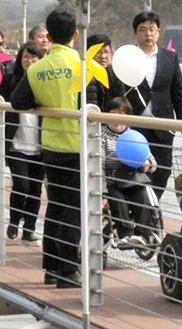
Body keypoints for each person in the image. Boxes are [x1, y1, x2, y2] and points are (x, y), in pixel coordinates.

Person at [11, 9, 81, 289]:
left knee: (55, 207)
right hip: (78, 145)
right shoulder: (82, 63)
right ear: (76, 34)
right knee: (72, 211)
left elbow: (18, 102)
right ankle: (68, 270)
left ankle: (51, 268)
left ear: (49, 36)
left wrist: (43, 104)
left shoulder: (37, 68)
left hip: (50, 145)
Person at [126, 11, 182, 201]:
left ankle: (152, 209)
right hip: (135, 127)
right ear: (135, 33)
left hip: (163, 127)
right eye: (143, 30)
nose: (148, 34)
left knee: (162, 171)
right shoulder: (128, 58)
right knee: (137, 171)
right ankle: (143, 213)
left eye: (152, 29)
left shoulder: (170, 58)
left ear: (158, 32)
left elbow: (179, 92)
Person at [0, 41, 44, 247]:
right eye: (26, 56)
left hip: (40, 145)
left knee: (35, 189)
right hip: (17, 144)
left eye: (34, 57)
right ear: (20, 59)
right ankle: (14, 221)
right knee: (21, 185)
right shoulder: (11, 80)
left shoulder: (44, 81)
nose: (30, 60)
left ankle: (29, 229)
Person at [101, 96, 157, 245]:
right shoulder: (101, 136)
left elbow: (152, 161)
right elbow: (99, 165)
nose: (117, 119)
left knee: (142, 196)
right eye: (113, 113)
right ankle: (125, 234)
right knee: (117, 199)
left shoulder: (134, 136)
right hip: (112, 181)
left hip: (133, 180)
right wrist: (102, 193)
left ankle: (143, 235)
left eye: (122, 115)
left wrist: (147, 164)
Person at [86, 34, 125, 112]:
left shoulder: (116, 75)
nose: (103, 56)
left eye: (106, 52)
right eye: (98, 52)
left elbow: (122, 101)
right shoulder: (83, 76)